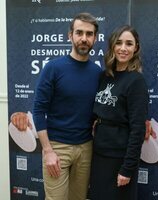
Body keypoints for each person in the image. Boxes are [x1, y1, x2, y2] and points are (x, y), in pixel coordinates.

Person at [12, 12, 102, 200]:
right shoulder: (53, 68)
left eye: (89, 34)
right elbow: (38, 110)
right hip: (57, 148)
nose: (84, 38)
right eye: (79, 33)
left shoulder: (97, 72)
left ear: (95, 38)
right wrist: (48, 151)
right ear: (70, 36)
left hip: (86, 148)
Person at [89, 25, 149, 200]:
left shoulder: (136, 81)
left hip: (120, 159)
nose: (123, 48)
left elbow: (138, 129)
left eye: (129, 44)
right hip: (99, 155)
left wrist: (127, 168)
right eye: (119, 43)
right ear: (112, 46)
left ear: (136, 48)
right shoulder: (104, 76)